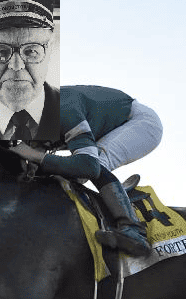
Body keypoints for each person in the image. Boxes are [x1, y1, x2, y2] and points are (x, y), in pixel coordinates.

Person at [9, 85, 163, 256]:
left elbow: (89, 166)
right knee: (66, 173)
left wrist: (36, 156)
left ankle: (133, 231)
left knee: (98, 163)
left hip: (140, 122)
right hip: (108, 126)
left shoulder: (64, 109)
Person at [0, 0, 60, 141]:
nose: (16, 66)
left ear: (49, 52)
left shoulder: (75, 114)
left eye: (31, 51)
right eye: (0, 51)